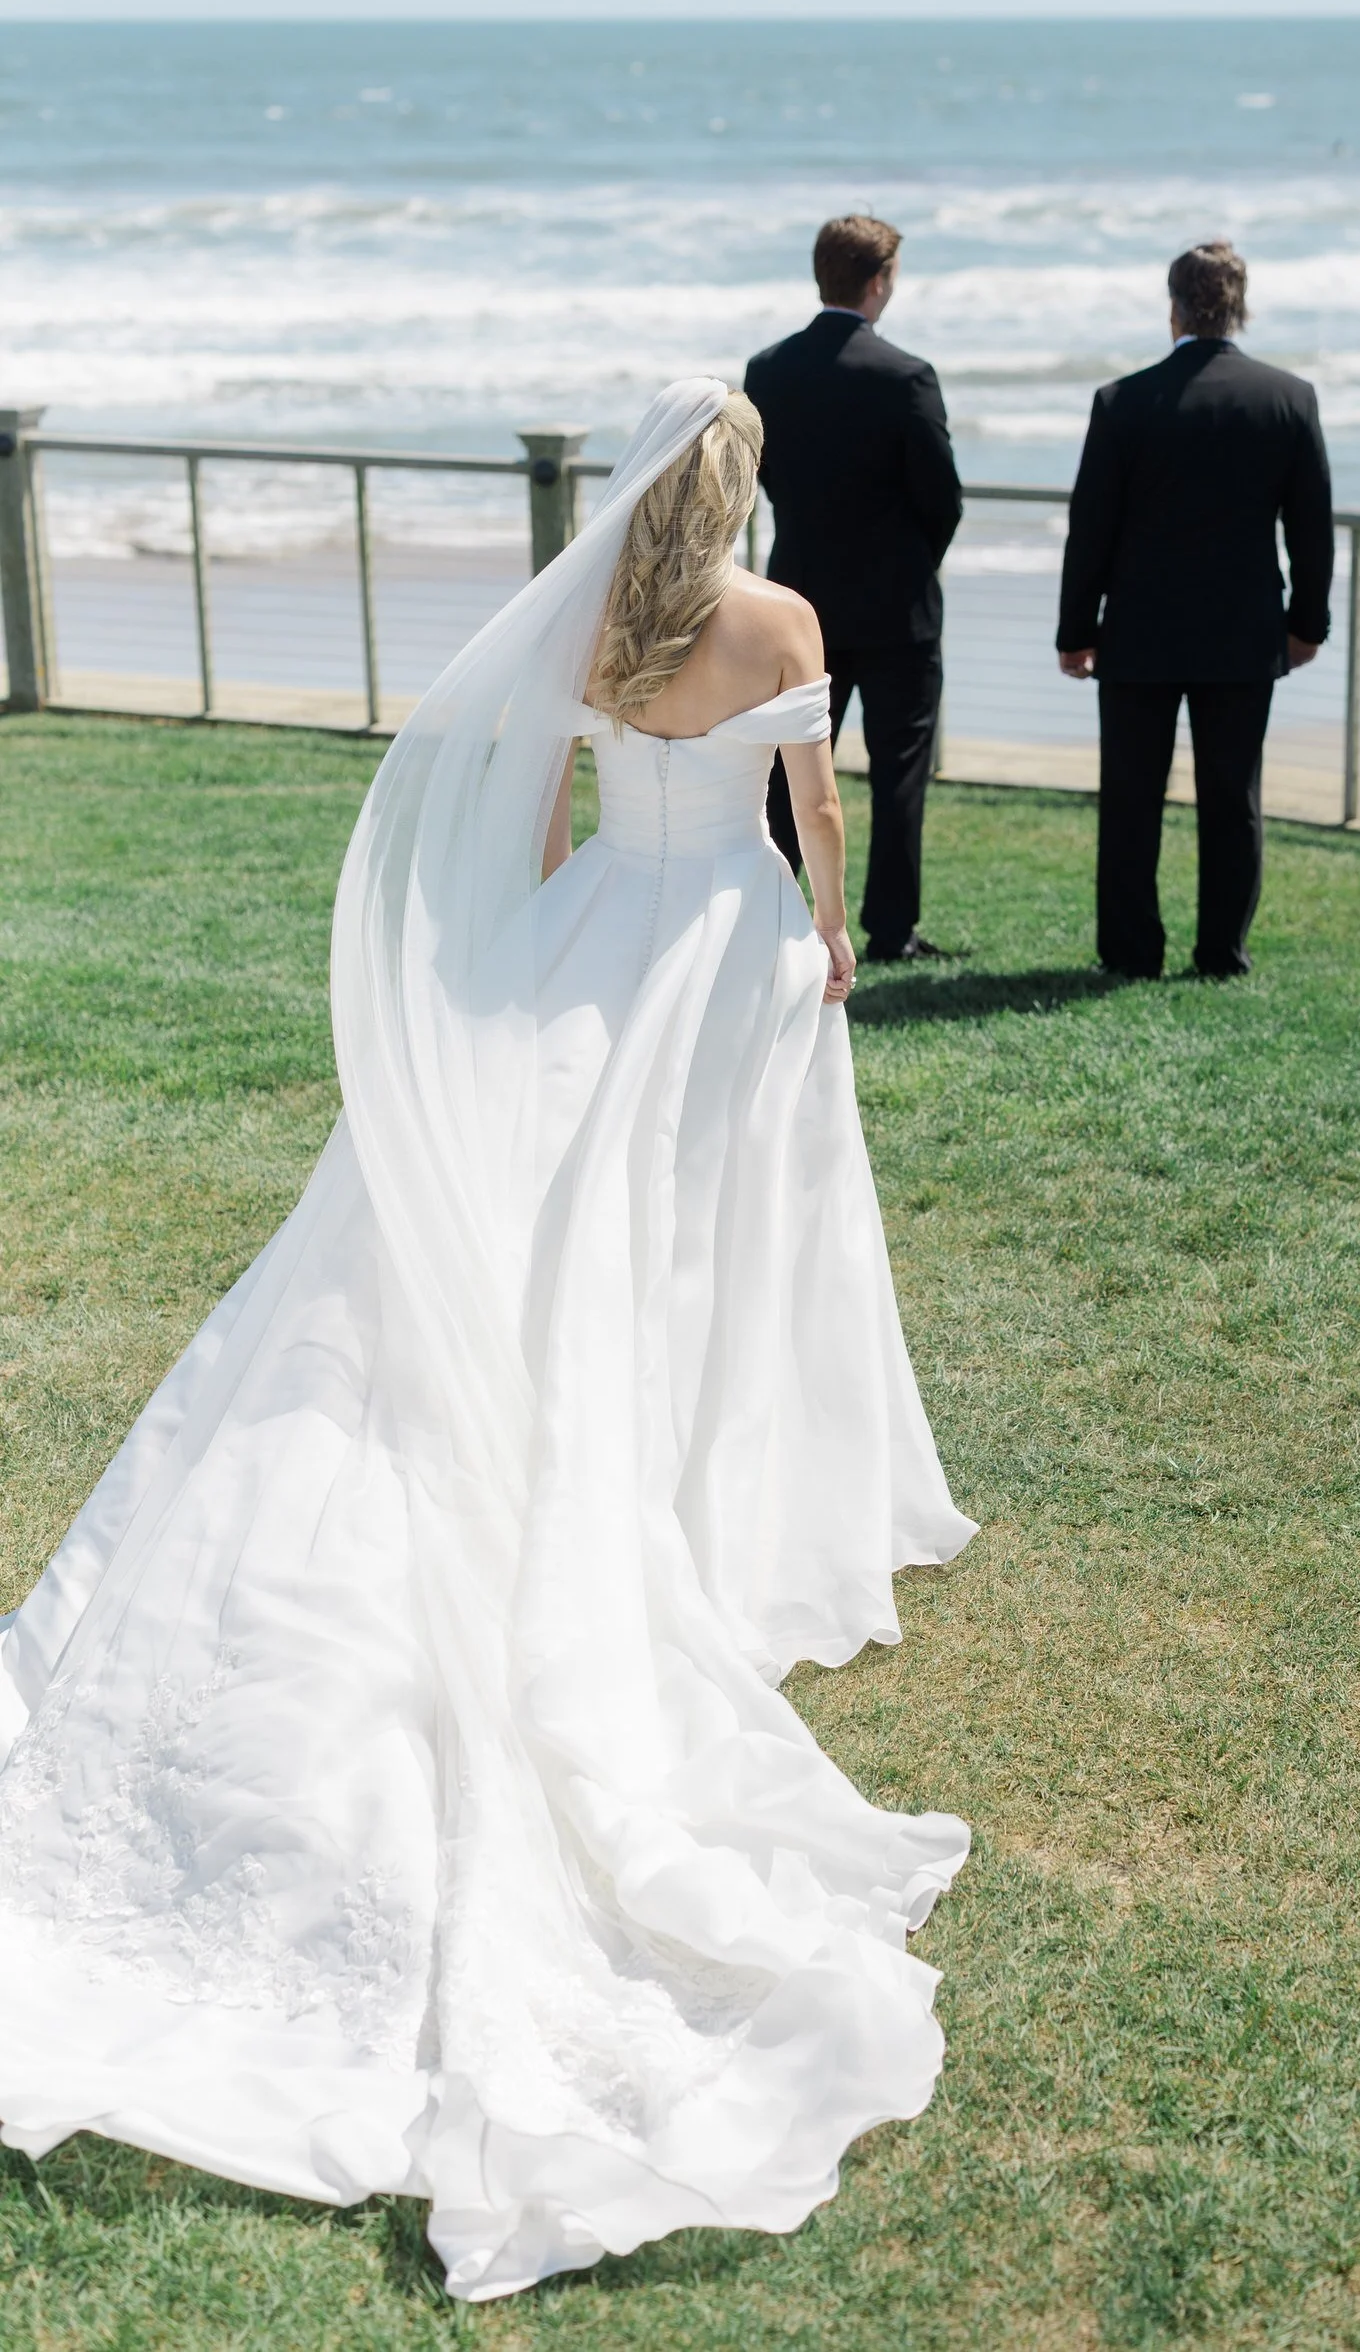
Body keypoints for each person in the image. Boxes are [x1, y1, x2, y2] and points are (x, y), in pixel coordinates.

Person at [0, 382, 975, 2302]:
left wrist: (521, 971)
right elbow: (813, 801)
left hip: (603, 925)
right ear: (743, 482)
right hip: (727, 940)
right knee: (714, 1237)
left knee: (572, 1236)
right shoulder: (775, 622)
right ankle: (717, 1492)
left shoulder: (590, 615)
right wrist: (836, 939)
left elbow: (533, 813)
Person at [1057, 241, 1333, 979]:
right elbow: (1310, 530)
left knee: (1130, 801)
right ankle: (1221, 953)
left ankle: (1129, 953)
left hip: (1140, 633)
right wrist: (1308, 624)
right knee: (1232, 800)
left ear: (1172, 307)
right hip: (1242, 633)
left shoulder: (1120, 402)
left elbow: (1091, 531)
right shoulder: (1287, 398)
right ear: (1237, 307)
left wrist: (1074, 632)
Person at [746, 215, 963, 962]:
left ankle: (771, 907)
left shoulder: (767, 369)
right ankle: (890, 930)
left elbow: (765, 477)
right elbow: (942, 498)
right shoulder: (906, 375)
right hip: (898, 611)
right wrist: (910, 561)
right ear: (878, 282)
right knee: (898, 778)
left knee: (786, 771)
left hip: (799, 604)